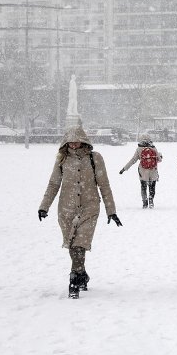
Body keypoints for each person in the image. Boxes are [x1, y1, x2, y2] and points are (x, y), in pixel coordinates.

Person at [38, 126, 121, 299]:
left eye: (77, 141)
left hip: (89, 208)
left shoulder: (95, 158)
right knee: (72, 243)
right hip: (66, 209)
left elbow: (104, 185)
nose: (74, 145)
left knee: (80, 244)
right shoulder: (62, 160)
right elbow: (54, 184)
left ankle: (74, 279)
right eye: (70, 142)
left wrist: (111, 210)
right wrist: (44, 206)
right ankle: (82, 272)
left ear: (83, 141)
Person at [119, 133, 163, 208]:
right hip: (153, 170)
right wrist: (159, 155)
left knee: (143, 187)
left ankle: (145, 202)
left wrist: (124, 169)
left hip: (143, 171)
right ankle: (151, 200)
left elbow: (133, 160)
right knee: (152, 187)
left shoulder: (139, 149)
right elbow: (159, 159)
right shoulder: (153, 148)